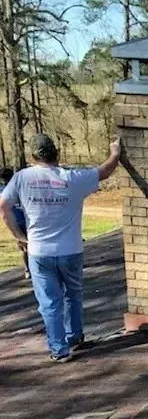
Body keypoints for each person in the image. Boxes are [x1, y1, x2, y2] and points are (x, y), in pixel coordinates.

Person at [0, 134, 121, 361]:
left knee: (49, 303)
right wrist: (115, 153)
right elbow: (103, 172)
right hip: (71, 249)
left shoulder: (22, 178)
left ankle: (59, 349)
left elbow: (3, 205)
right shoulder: (72, 178)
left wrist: (19, 237)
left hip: (39, 252)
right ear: (57, 153)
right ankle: (74, 336)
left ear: (33, 155)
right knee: (73, 295)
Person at [0, 166, 29, 278]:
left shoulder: (3, 191)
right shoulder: (20, 188)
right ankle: (32, 268)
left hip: (14, 222)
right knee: (31, 245)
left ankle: (27, 269)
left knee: (23, 246)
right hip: (26, 220)